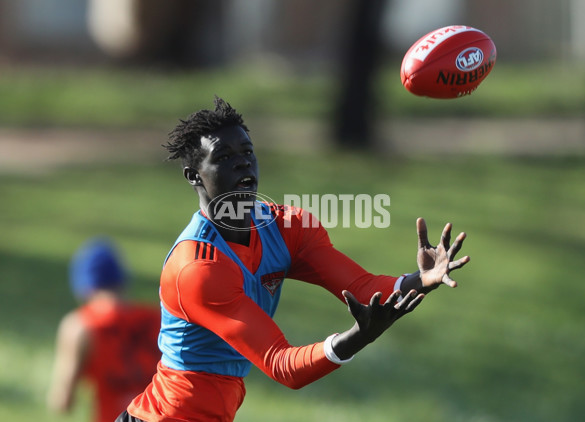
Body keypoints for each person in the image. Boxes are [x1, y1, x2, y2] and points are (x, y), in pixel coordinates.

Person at [117, 97, 470, 422]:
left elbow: (363, 288)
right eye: (223, 157)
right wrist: (359, 336)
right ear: (194, 175)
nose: (241, 161)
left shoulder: (288, 227)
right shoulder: (197, 268)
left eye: (247, 151)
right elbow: (283, 365)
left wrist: (421, 279)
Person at [47, 238, 162, 422]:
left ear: (82, 287)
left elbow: (62, 401)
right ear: (122, 280)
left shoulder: (80, 326)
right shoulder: (158, 318)